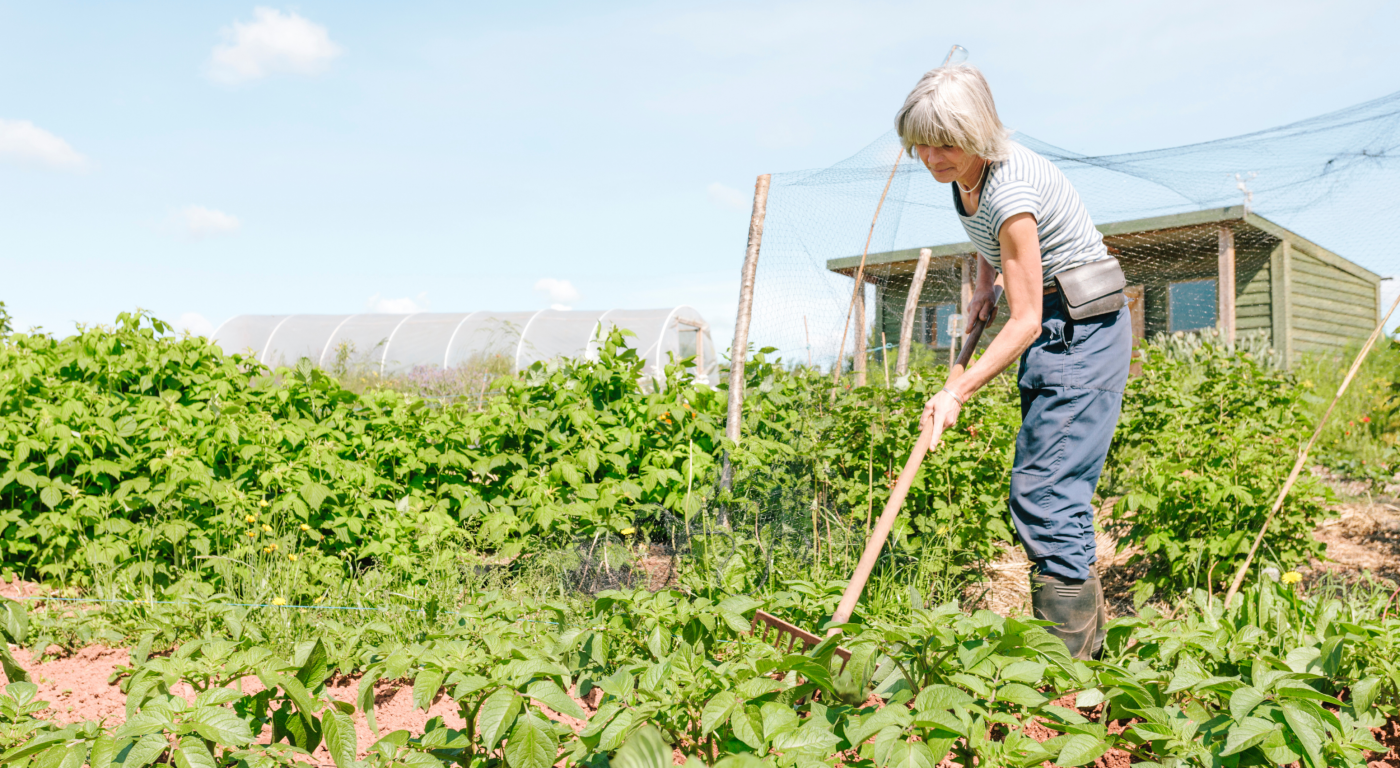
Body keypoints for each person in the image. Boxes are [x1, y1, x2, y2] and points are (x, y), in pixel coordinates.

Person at [896, 64, 1132, 659]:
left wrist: (956, 391)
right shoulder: (965, 176)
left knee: (1046, 488)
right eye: (921, 144)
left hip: (1081, 325)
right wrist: (984, 284)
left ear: (977, 134)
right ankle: (1088, 660)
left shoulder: (1011, 190)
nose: (931, 157)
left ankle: (1070, 670)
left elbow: (1023, 321)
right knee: (1049, 483)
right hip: (1050, 312)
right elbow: (990, 238)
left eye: (945, 144)